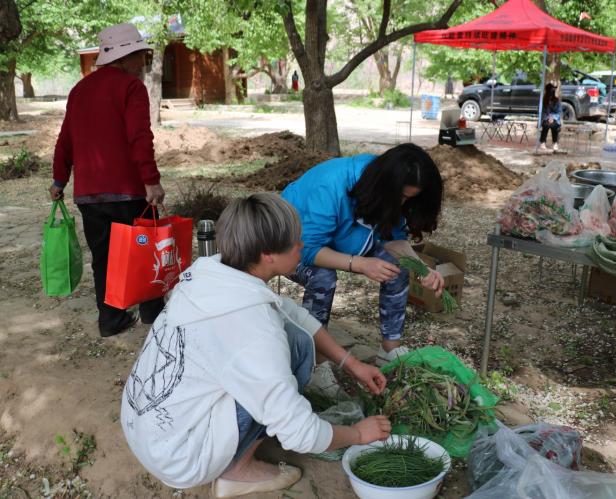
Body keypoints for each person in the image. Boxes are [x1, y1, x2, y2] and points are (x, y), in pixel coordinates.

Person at [121, 193, 391, 497]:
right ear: (268, 255)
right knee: (297, 353)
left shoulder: (210, 273)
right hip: (182, 458)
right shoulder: (255, 329)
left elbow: (290, 312)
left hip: (146, 429)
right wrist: (358, 433)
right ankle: (237, 472)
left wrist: (351, 364)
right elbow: (299, 432)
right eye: (295, 242)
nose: (302, 246)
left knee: (296, 339)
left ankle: (238, 445)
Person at [49, 23, 166, 337]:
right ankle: (153, 312)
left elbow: (65, 140)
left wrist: (59, 180)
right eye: (140, 56)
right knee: (145, 250)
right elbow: (140, 137)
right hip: (128, 191)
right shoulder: (131, 88)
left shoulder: (80, 89)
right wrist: (151, 180)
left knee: (104, 257)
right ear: (125, 58)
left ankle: (111, 319)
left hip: (89, 195)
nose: (143, 63)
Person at [281, 144, 445, 362]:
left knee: (399, 264)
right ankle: (315, 360)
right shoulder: (330, 185)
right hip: (290, 246)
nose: (403, 204)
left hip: (339, 240)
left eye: (410, 199)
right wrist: (361, 264)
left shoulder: (386, 182)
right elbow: (309, 251)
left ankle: (389, 350)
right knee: (323, 277)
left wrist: (421, 268)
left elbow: (393, 238)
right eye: (403, 197)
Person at [536, 82, 562, 152]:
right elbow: (542, 112)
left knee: (554, 125)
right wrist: (548, 117)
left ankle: (555, 142)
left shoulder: (557, 100)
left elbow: (559, 112)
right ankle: (543, 142)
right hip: (546, 118)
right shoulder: (544, 101)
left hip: (555, 119)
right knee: (546, 125)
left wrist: (553, 118)